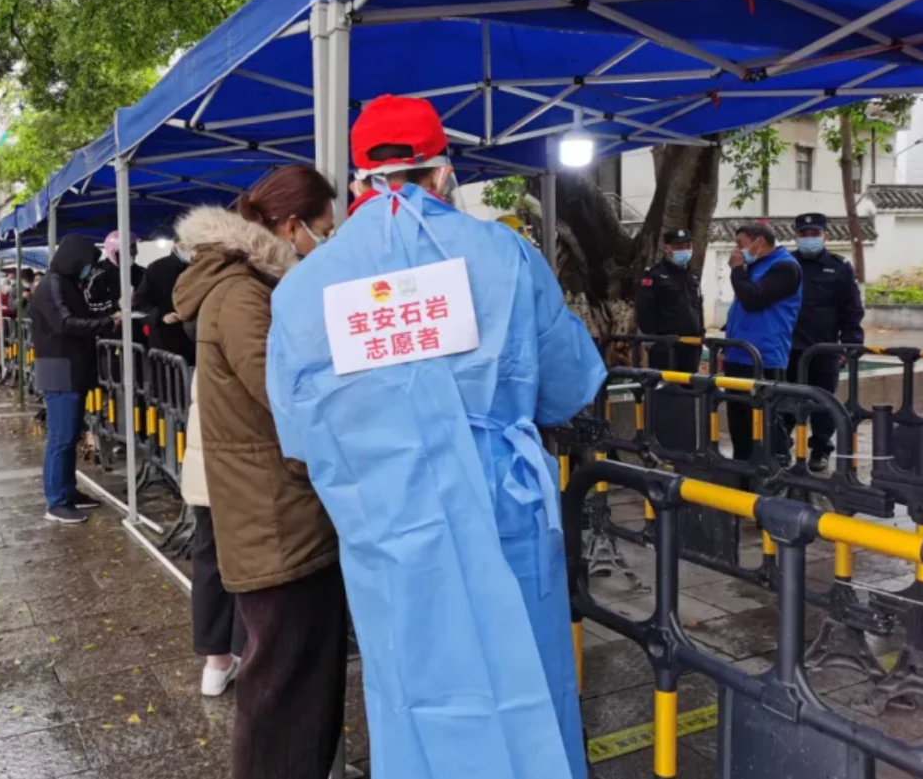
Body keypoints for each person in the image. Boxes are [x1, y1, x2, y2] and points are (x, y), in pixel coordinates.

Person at [266, 96, 606, 779]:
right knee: (526, 675)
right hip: (502, 506)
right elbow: (570, 383)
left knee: (410, 685)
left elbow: (299, 430)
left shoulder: (306, 286)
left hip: (387, 518)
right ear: (443, 173)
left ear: (358, 180)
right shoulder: (504, 253)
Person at [173, 166, 344, 779]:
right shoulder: (245, 294)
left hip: (275, 507)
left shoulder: (245, 285)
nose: (325, 242)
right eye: (323, 231)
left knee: (294, 674)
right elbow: (287, 393)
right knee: (283, 684)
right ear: (291, 226)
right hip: (276, 516)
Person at [31, 235, 119, 523]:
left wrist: (106, 315)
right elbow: (66, 323)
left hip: (71, 369)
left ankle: (69, 491)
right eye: (85, 264)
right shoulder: (52, 285)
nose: (87, 270)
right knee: (61, 438)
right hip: (60, 370)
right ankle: (56, 501)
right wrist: (107, 322)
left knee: (70, 436)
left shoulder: (66, 284)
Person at [181, 370, 247, 697]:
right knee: (249, 557)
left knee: (209, 557)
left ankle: (216, 663)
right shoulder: (242, 320)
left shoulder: (207, 322)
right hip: (238, 465)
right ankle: (241, 654)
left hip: (206, 463)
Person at [784, 212, 864, 472]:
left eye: (814, 234)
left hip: (824, 348)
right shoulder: (784, 265)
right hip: (788, 348)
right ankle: (780, 448)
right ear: (795, 236)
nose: (809, 239)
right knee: (783, 400)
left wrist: (849, 345)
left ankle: (820, 450)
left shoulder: (839, 268)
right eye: (804, 234)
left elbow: (851, 310)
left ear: (825, 236)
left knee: (823, 402)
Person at [724, 221, 802, 462]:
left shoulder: (784, 267)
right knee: (740, 421)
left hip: (764, 357)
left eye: (741, 244)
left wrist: (736, 270)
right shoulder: (755, 266)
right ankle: (743, 468)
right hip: (738, 354)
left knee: (766, 418)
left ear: (759, 241)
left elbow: (753, 300)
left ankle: (777, 466)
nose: (737, 251)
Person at [635, 228, 704, 372]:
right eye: (678, 247)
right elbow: (644, 309)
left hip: (691, 346)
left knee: (689, 390)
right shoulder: (654, 275)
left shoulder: (691, 276)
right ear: (667, 249)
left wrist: (701, 336)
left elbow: (697, 308)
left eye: (687, 247)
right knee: (667, 390)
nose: (684, 251)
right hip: (665, 346)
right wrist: (653, 341)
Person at [137, 243, 195, 364]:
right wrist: (162, 315)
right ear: (177, 245)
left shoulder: (200, 268)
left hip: (196, 339)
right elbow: (141, 302)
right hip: (165, 341)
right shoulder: (157, 268)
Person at [86, 230, 144, 318]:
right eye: (129, 251)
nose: (133, 254)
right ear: (114, 253)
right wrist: (116, 304)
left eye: (134, 250)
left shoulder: (141, 272)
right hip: (108, 328)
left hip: (137, 325)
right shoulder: (98, 275)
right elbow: (88, 307)